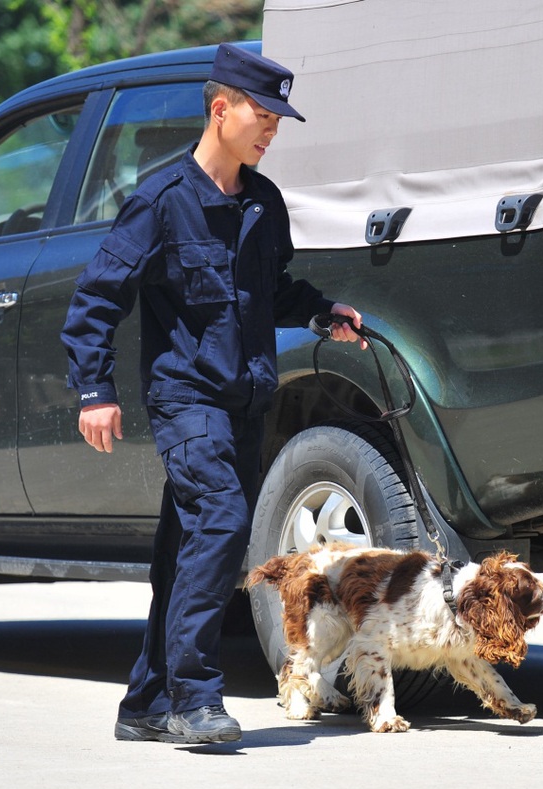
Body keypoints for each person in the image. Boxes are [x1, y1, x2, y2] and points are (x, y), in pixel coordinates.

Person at [60, 42, 363, 744]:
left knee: (184, 549)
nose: (271, 130)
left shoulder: (262, 202)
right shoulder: (161, 202)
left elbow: (271, 290)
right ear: (219, 108)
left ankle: (144, 704)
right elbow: (96, 300)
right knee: (223, 524)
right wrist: (93, 390)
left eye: (278, 121)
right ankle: (196, 698)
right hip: (185, 398)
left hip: (244, 401)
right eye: (262, 114)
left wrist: (322, 312)